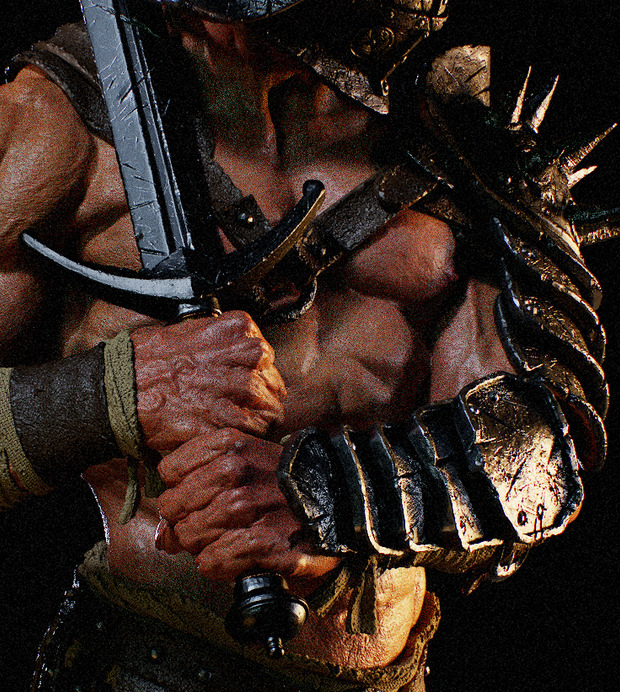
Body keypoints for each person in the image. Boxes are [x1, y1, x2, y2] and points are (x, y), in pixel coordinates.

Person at [0, 1, 613, 690]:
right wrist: (116, 391)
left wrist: (329, 495)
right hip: (152, 658)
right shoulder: (55, 124)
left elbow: (540, 457)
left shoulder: (467, 148)